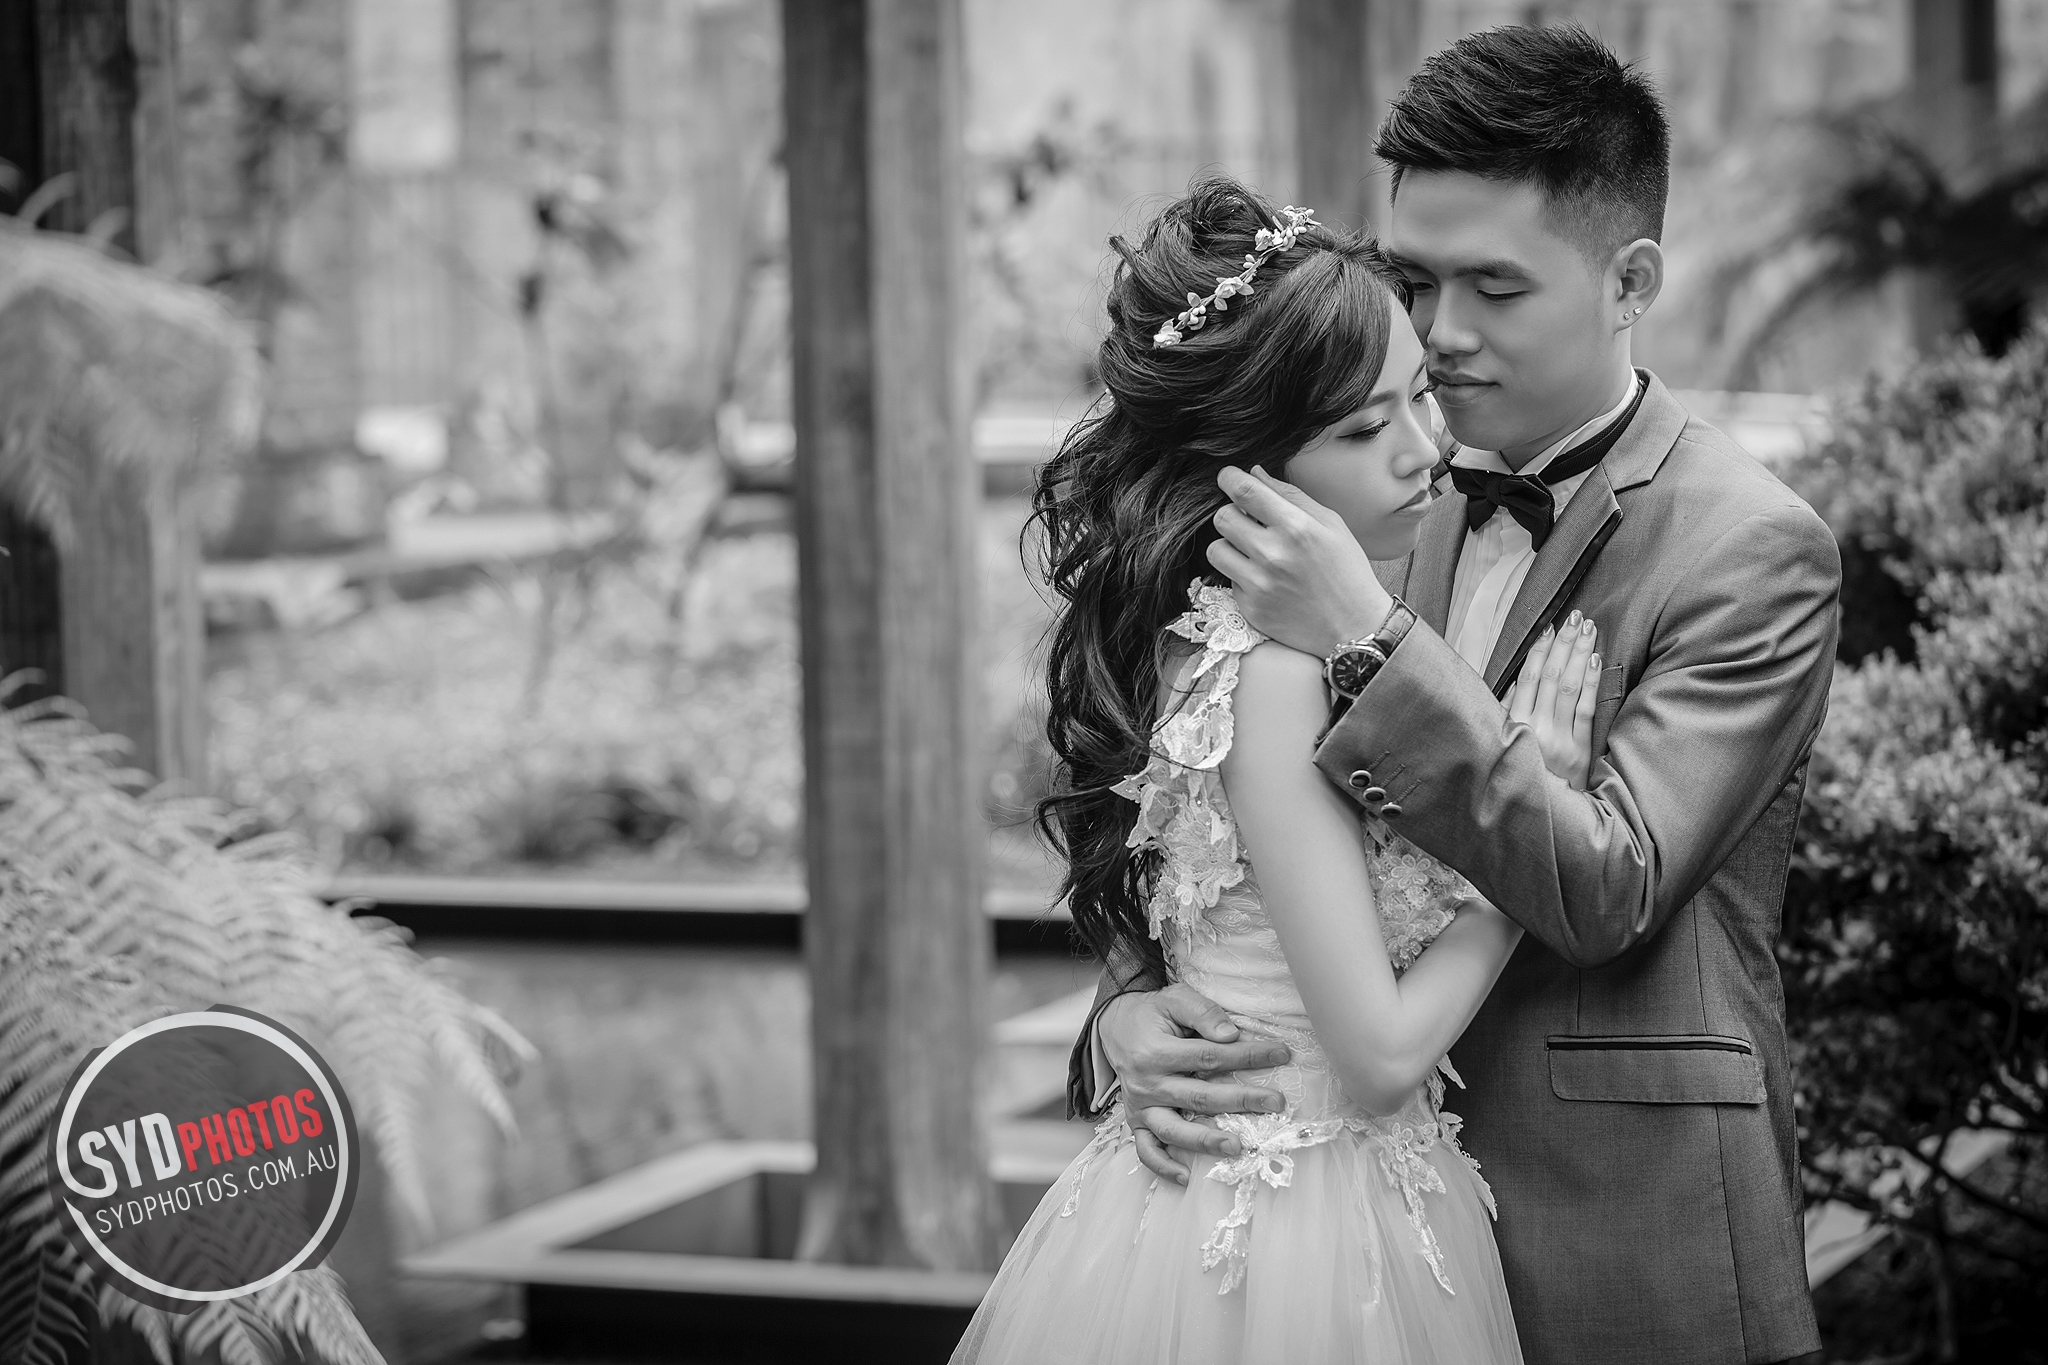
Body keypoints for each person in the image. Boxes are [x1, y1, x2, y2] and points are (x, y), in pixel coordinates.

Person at [1082, 25, 1842, 1365]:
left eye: (1494, 285)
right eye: (1416, 281)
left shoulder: (1749, 548)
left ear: (1630, 281)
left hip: (1622, 1232)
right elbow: (1221, 815)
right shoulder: (1360, 498)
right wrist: (1133, 1014)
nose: (1442, 333)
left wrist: (1368, 638)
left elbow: (1606, 887)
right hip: (1339, 1238)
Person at [954, 176, 1603, 1365]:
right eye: (1360, 430)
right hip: (1300, 1219)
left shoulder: (1208, 638)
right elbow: (1380, 1058)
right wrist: (1529, 815)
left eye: (1418, 398)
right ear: (1245, 469)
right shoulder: (1274, 675)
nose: (1422, 452)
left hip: (1263, 1191)